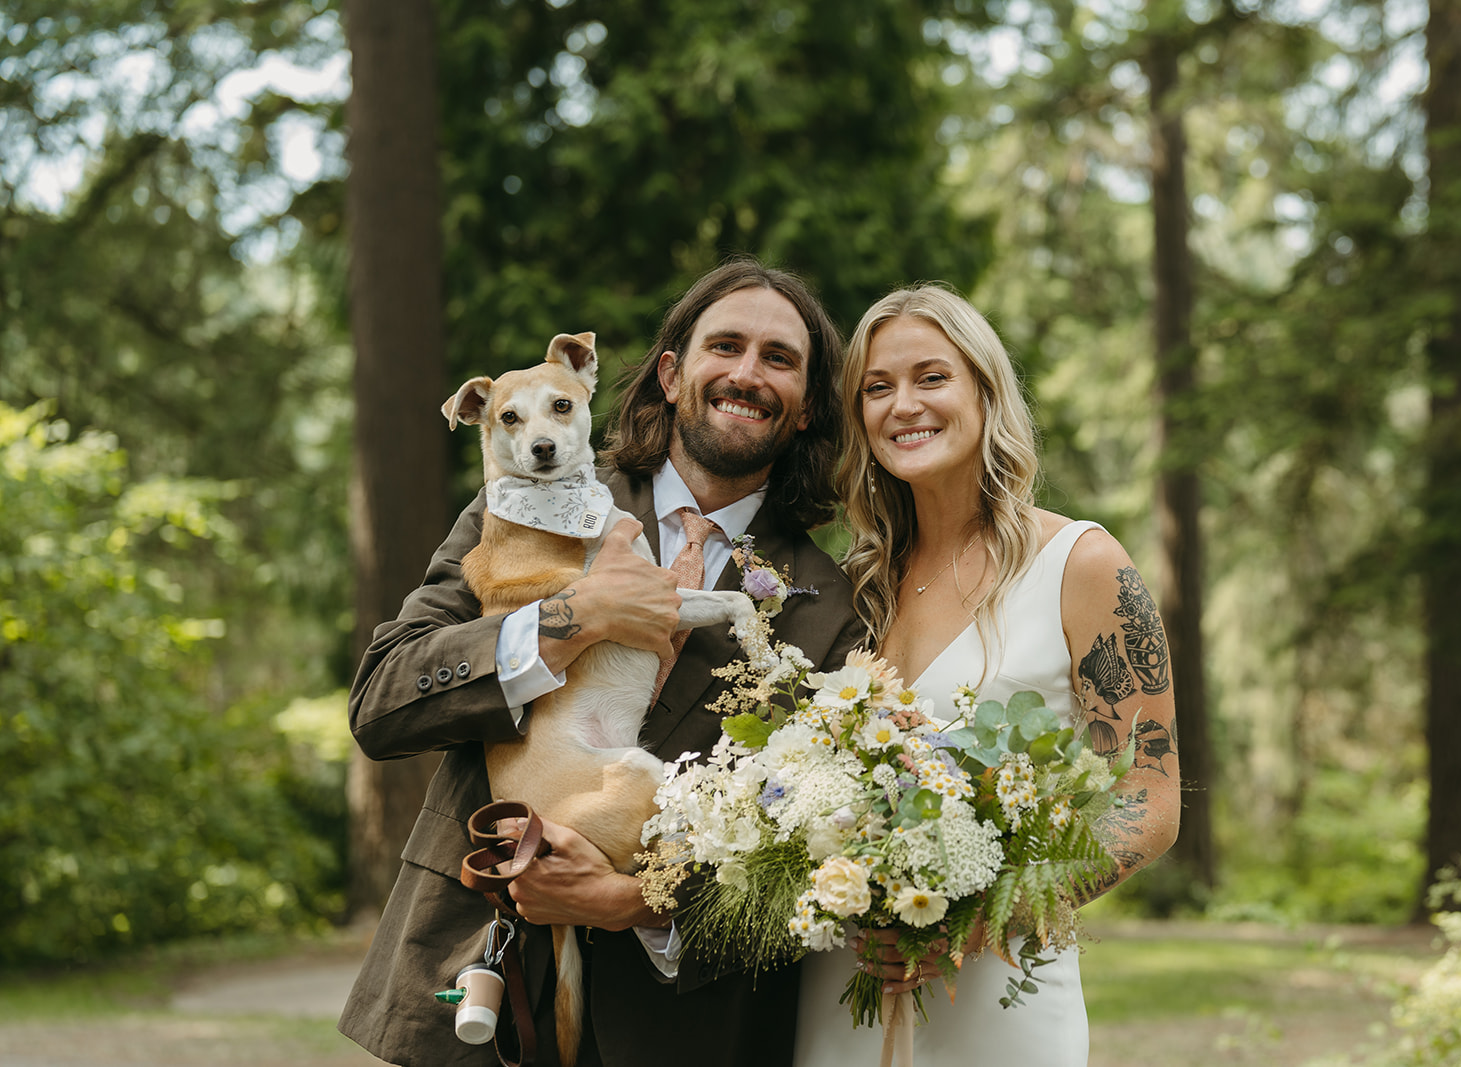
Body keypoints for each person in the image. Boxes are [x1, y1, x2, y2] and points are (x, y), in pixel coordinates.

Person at [338, 258, 868, 1067]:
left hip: (681, 1030)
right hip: (480, 991)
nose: (746, 373)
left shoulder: (833, 606)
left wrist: (637, 904)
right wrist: (571, 617)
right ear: (670, 373)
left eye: (779, 358)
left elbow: (807, 864)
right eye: (724, 345)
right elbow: (383, 699)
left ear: (804, 409)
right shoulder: (525, 495)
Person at [792, 285, 1181, 1066]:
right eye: (877, 387)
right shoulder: (854, 586)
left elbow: (1151, 794)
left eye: (931, 377)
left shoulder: (1081, 563)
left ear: (984, 390)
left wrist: (979, 922)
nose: (904, 404)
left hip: (998, 992)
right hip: (844, 990)